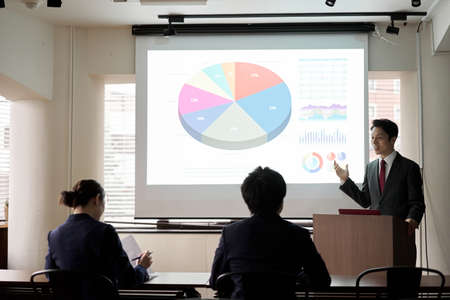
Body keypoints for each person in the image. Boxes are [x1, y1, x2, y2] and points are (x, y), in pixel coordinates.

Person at [209, 167, 331, 299]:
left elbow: (216, 281)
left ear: (247, 201)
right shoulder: (299, 234)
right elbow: (322, 281)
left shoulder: (230, 233)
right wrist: (299, 276)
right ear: (281, 200)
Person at [45, 179, 152, 289]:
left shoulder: (54, 235)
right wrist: (142, 267)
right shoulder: (105, 231)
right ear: (97, 199)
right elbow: (128, 279)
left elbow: (50, 275)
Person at [334, 118, 425, 235]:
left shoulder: (409, 167)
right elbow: (365, 201)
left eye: (379, 138)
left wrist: (411, 220)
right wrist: (345, 180)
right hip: (374, 232)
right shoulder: (370, 167)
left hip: (400, 232)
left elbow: (417, 202)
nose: (374, 142)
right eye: (372, 138)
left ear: (393, 139)